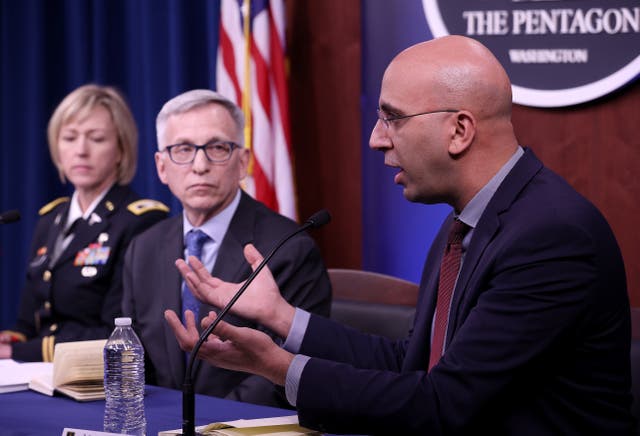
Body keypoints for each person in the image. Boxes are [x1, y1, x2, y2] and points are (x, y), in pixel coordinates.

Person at [165, 35, 636, 434]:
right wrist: (282, 317)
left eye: (392, 118)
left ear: (459, 130)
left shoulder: (549, 236)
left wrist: (277, 367)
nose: (376, 138)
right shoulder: (467, 222)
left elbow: (443, 403)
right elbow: (412, 361)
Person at [122, 89, 331, 408]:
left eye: (217, 148)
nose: (200, 165)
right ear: (162, 167)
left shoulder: (288, 249)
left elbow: (281, 372)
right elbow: (135, 358)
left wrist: (201, 426)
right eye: (183, 149)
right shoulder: (143, 249)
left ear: (243, 162)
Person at [0, 84, 168, 362]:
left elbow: (119, 332)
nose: (80, 150)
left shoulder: (141, 221)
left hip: (98, 380)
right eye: (69, 137)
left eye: (97, 138)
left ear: (121, 150)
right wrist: (12, 338)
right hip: (38, 373)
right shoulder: (50, 219)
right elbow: (30, 323)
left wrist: (17, 351)